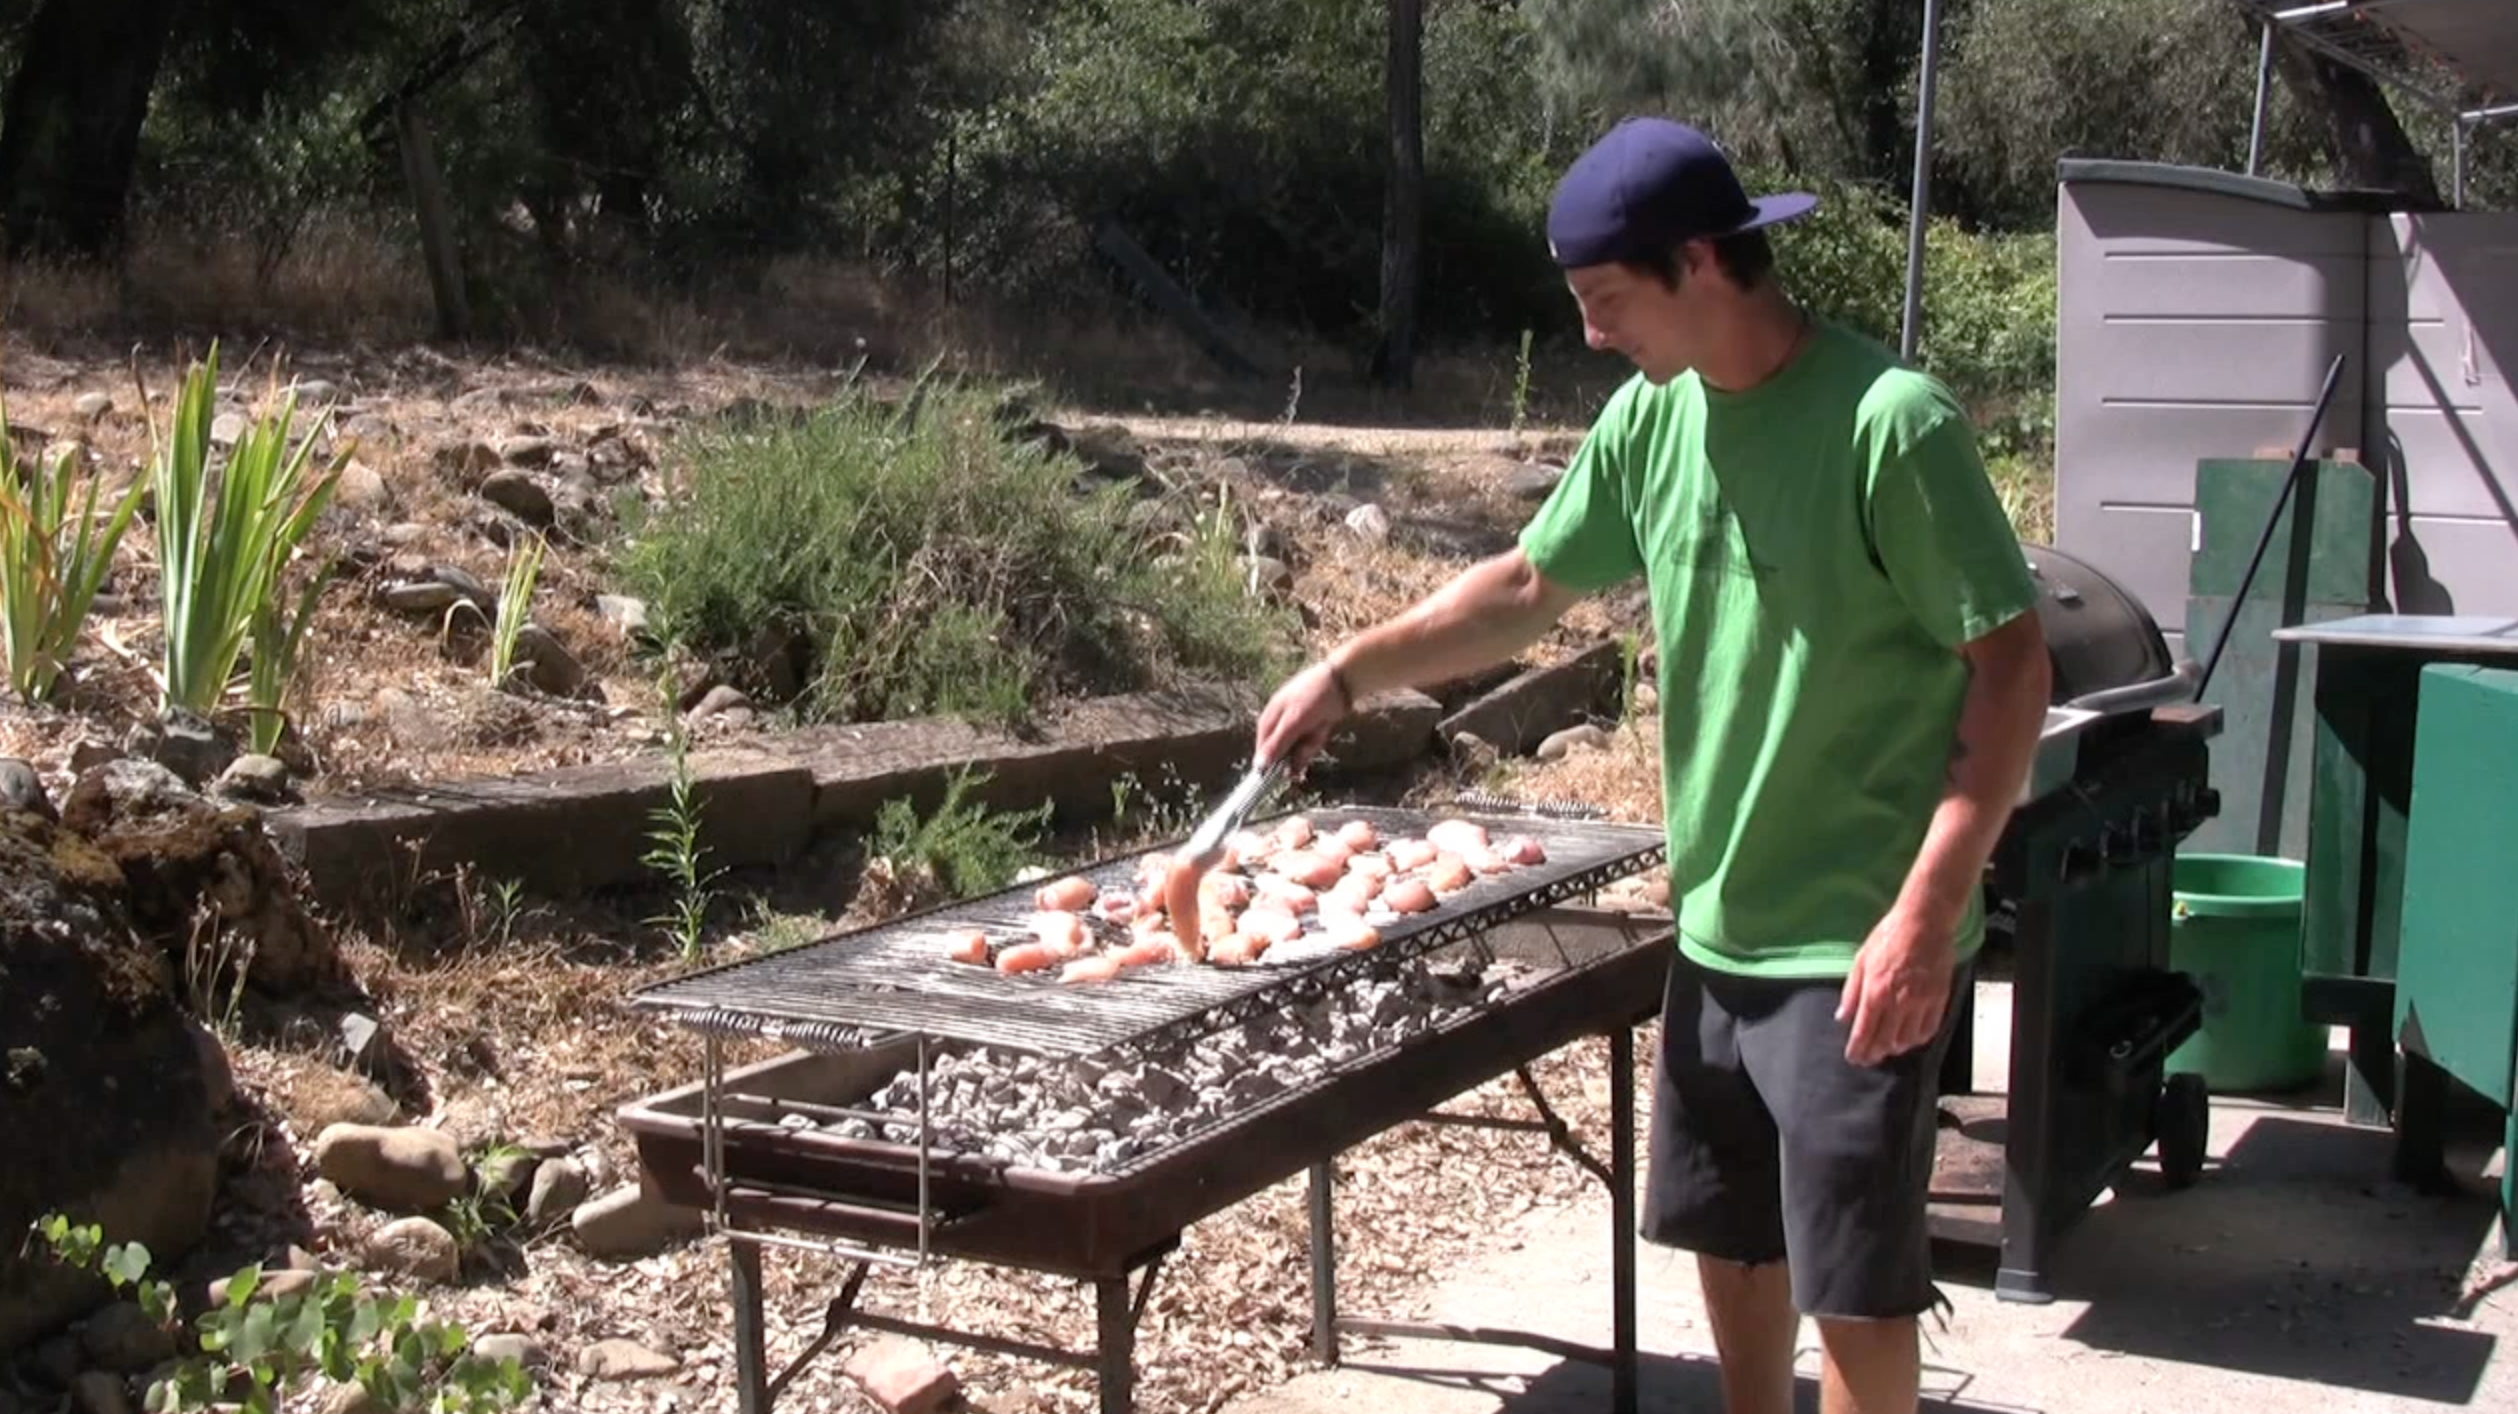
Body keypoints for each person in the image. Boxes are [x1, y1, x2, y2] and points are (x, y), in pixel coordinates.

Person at [1253, 116, 2052, 1414]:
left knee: (1853, 1287)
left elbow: (2012, 668)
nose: (1588, 334)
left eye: (1605, 300)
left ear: (1700, 263)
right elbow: (1526, 585)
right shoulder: (1650, 419)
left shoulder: (1888, 424)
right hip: (1720, 922)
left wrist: (1927, 911)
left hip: (1858, 937)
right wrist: (1348, 670)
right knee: (1733, 1240)